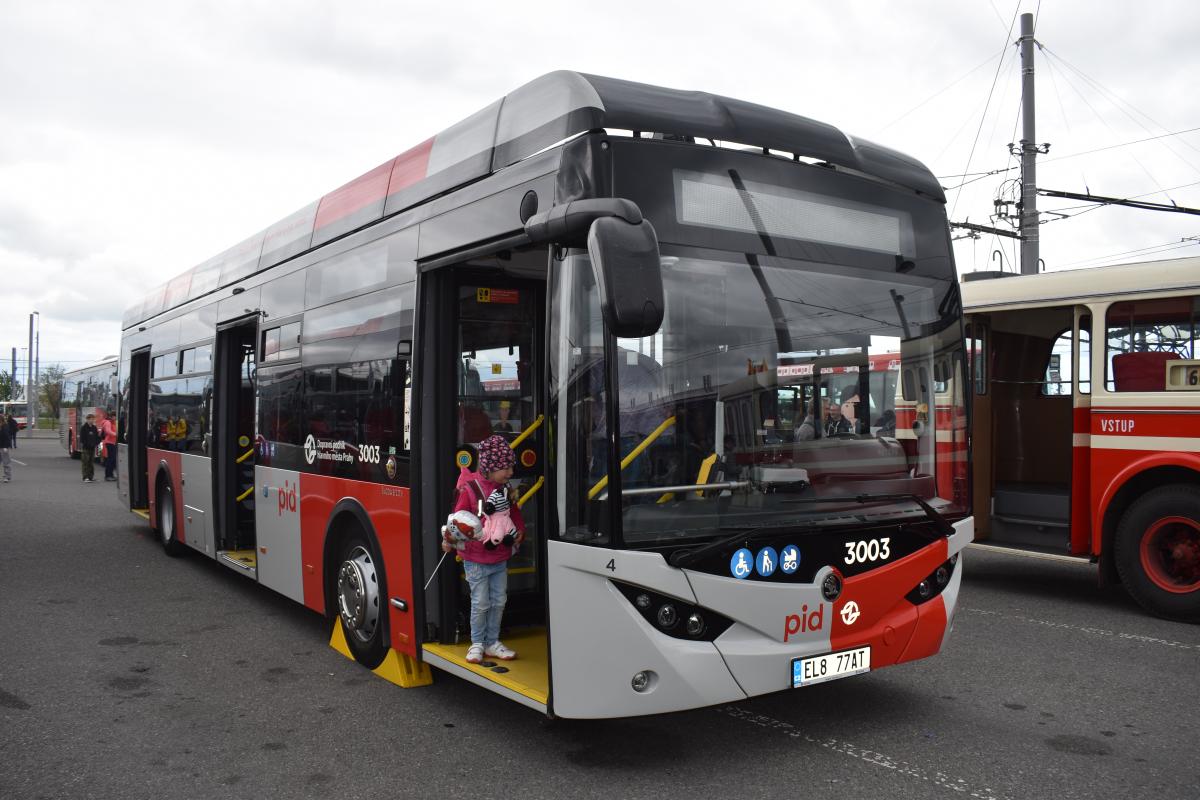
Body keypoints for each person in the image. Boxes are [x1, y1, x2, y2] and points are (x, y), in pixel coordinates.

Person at [443, 434, 525, 665]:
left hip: (500, 557)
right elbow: (457, 519)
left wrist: (519, 530)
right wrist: (449, 539)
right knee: (481, 602)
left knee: (499, 600)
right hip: (476, 558)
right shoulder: (469, 489)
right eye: (505, 468)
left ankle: (492, 642)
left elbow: (515, 513)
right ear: (490, 467)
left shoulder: (506, 489)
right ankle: (477, 642)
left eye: (511, 467)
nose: (510, 472)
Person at [79, 413, 101, 482]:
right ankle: (85, 477)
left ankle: (91, 477)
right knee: (86, 463)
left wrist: (97, 442)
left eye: (93, 419)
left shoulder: (94, 428)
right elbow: (82, 439)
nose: (92, 420)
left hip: (92, 448)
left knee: (91, 463)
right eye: (91, 419)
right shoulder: (84, 428)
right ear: (87, 420)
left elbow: (97, 437)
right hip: (86, 448)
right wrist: (87, 444)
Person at [99, 410, 118, 481]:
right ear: (111, 416)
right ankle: (107, 475)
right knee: (110, 459)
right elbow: (107, 431)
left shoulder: (113, 422)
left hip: (113, 443)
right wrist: (116, 434)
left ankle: (111, 474)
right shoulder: (108, 422)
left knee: (113, 460)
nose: (116, 418)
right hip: (109, 443)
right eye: (115, 416)